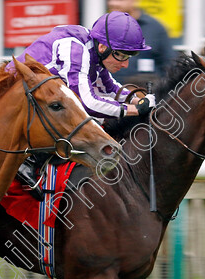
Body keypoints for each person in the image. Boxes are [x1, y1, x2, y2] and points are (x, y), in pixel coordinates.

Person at [13, 11, 152, 189]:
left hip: (37, 101)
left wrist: (137, 100)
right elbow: (87, 103)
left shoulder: (94, 51)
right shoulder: (75, 49)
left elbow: (109, 87)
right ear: (103, 47)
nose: (125, 64)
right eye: (122, 56)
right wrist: (132, 111)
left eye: (129, 57)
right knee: (83, 119)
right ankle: (28, 162)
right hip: (16, 100)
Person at [107, 0, 175, 84]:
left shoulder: (154, 28)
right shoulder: (103, 27)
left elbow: (170, 66)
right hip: (107, 93)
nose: (113, 3)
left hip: (145, 92)